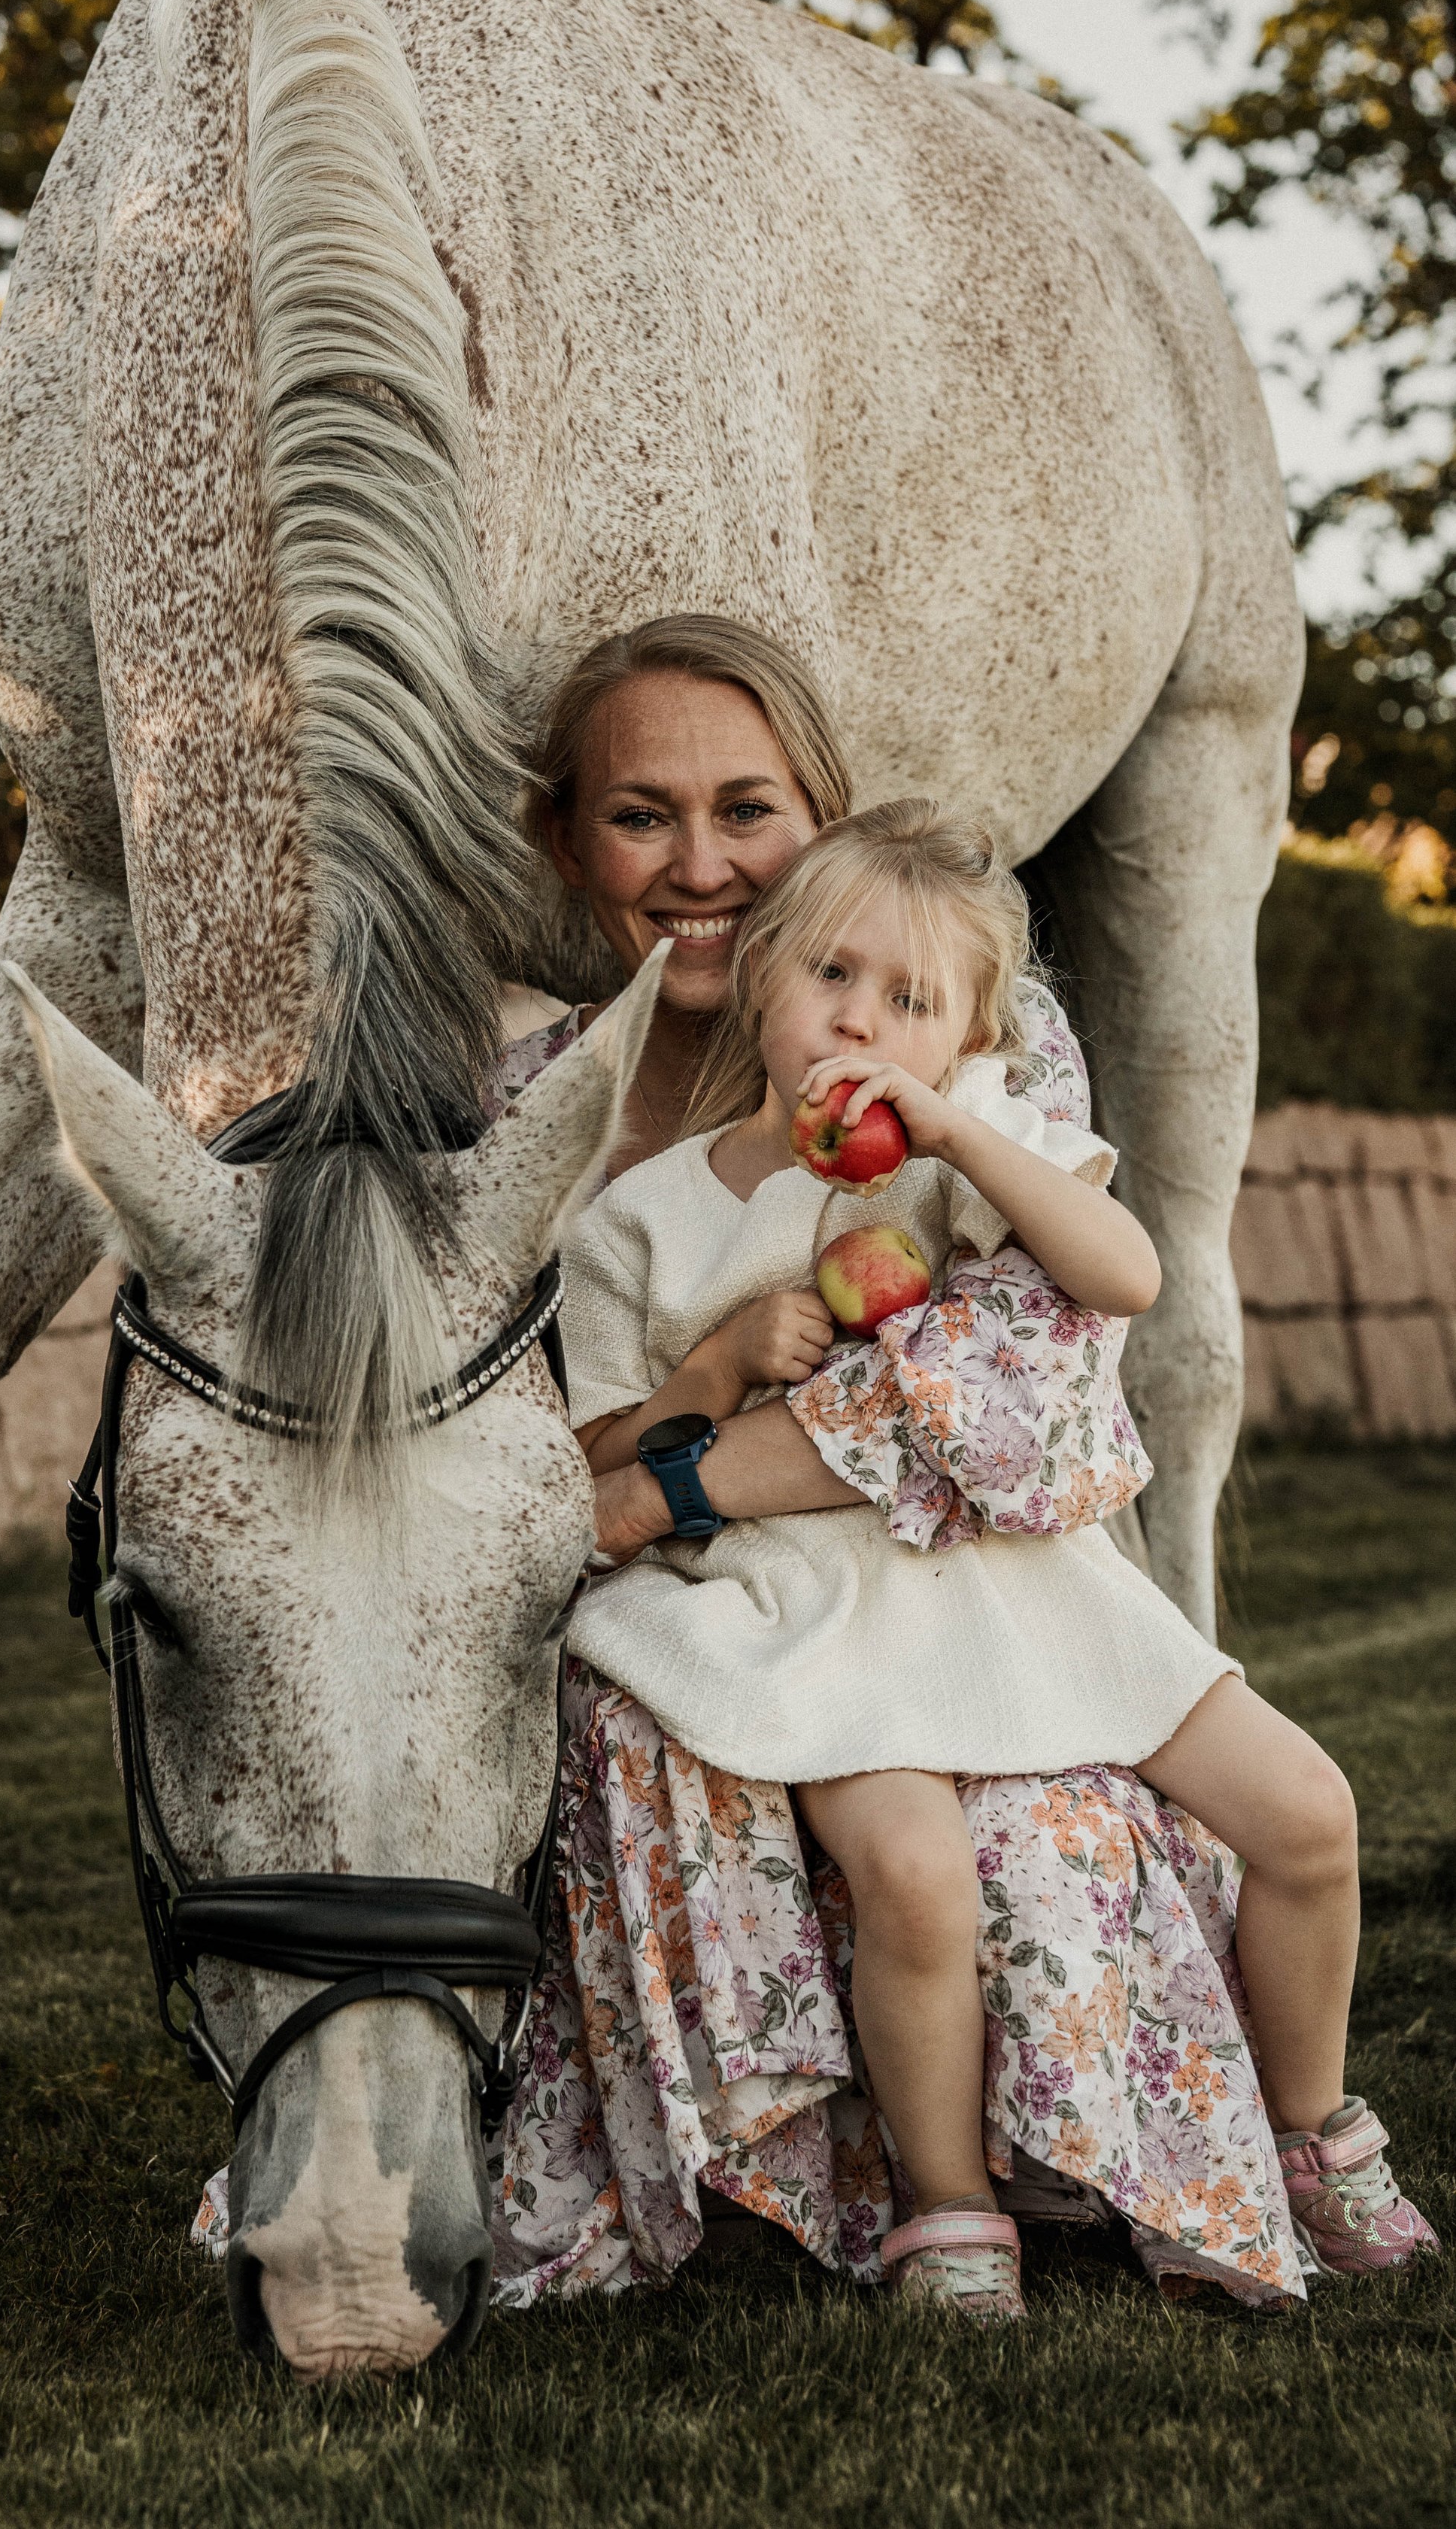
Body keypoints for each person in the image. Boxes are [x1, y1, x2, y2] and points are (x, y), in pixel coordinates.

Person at [562, 797, 1437, 2315]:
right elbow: (587, 1463)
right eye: (834, 976)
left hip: (1020, 1580)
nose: (864, 1022)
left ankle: (1310, 2135)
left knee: (1305, 1813)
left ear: (968, 1032)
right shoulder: (635, 1215)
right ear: (762, 972)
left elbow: (1123, 1274)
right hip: (811, 1602)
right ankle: (947, 2209)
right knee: (910, 1877)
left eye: (914, 1002)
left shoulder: (958, 1156)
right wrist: (710, 1367)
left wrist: (964, 1127)